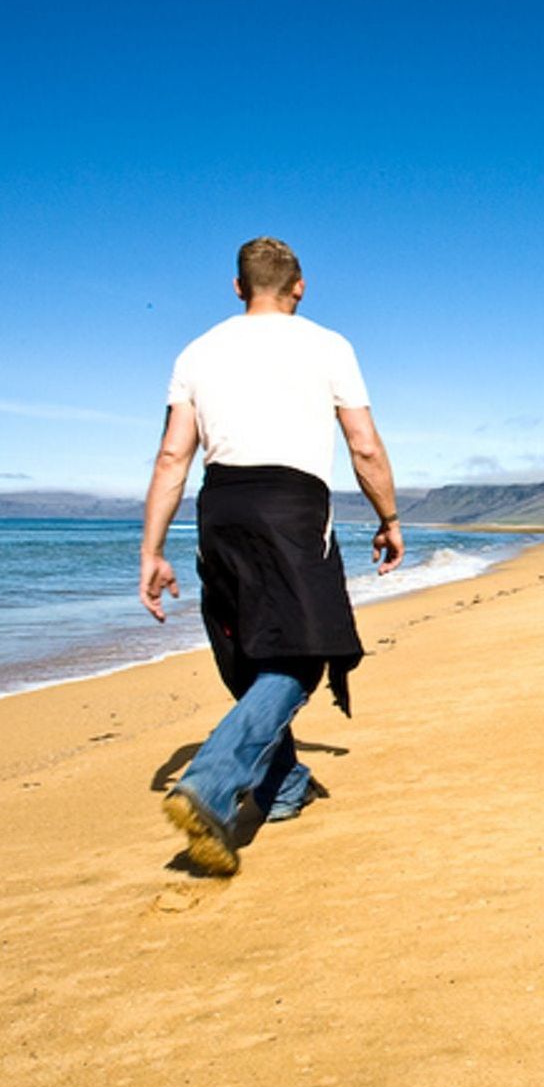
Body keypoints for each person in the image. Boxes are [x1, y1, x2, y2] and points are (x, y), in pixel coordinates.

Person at [139, 236, 404, 875]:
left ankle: (282, 788)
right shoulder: (328, 345)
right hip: (292, 505)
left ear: (237, 287)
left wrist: (151, 549)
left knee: (251, 650)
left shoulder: (198, 351)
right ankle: (211, 780)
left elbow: (174, 456)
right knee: (304, 654)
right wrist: (389, 518)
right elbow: (363, 445)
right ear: (300, 286)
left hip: (221, 505)